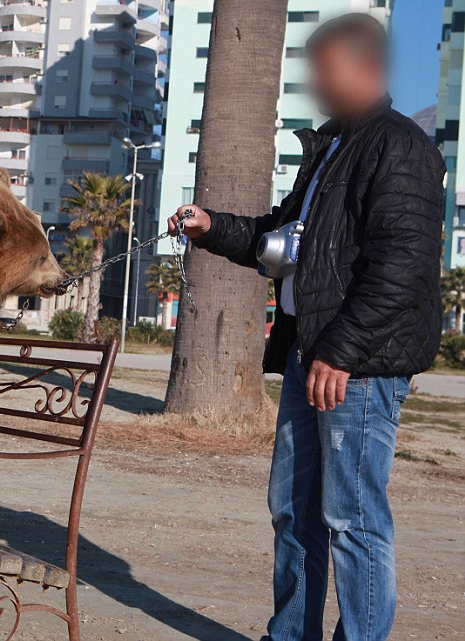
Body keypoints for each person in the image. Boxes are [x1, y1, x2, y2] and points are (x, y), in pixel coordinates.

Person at [168, 14, 445, 641]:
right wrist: (211, 226)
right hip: (309, 355)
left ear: (365, 68)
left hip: (356, 368)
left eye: (324, 69)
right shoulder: (333, 149)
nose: (315, 82)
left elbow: (400, 268)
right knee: (293, 511)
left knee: (352, 519)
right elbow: (281, 238)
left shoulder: (399, 146)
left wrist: (339, 352)